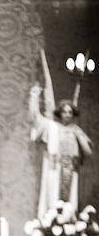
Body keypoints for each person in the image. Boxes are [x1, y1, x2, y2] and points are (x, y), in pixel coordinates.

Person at [29, 85, 93, 218]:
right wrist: (34, 98)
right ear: (60, 113)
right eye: (64, 112)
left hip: (71, 170)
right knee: (53, 202)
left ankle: (70, 226)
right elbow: (35, 118)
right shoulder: (51, 127)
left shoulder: (76, 129)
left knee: (70, 205)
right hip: (55, 170)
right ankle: (53, 225)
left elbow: (87, 152)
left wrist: (78, 135)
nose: (67, 115)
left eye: (70, 112)